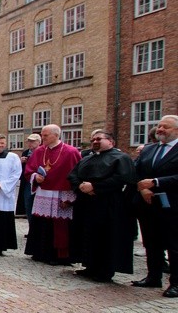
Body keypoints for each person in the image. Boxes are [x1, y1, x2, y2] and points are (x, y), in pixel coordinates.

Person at [68, 130, 136, 283]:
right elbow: (73, 175)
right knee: (87, 235)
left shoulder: (121, 158)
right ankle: (90, 265)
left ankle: (105, 270)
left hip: (108, 204)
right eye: (93, 140)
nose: (95, 142)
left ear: (111, 142)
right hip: (86, 203)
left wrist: (95, 187)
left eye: (99, 139)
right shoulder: (87, 158)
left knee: (106, 237)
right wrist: (80, 186)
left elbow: (123, 178)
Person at [131, 115, 178, 297]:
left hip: (172, 204)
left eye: (165, 127)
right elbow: (135, 171)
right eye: (159, 126)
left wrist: (156, 182)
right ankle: (153, 276)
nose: (160, 129)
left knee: (174, 244)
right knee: (151, 242)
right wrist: (142, 189)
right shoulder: (149, 149)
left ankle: (175, 282)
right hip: (147, 203)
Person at [24, 124, 82, 265]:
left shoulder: (71, 152)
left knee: (60, 227)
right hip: (43, 192)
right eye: (42, 135)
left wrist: (69, 198)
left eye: (46, 135)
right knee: (42, 224)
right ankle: (40, 252)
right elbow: (29, 171)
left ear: (56, 135)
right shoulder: (39, 151)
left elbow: (76, 175)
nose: (42, 138)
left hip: (61, 194)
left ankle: (60, 256)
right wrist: (35, 177)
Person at [15, 133, 41, 223]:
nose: (30, 143)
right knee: (28, 204)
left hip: (39, 182)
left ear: (38, 142)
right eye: (29, 141)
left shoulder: (42, 152)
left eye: (32, 141)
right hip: (27, 181)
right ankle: (31, 229)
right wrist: (21, 162)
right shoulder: (26, 152)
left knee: (38, 205)